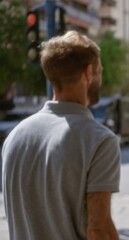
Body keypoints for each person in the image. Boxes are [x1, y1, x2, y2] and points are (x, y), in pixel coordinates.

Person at [2, 31, 120, 240]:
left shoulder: (15, 136)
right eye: (100, 70)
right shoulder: (100, 140)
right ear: (89, 72)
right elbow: (98, 230)